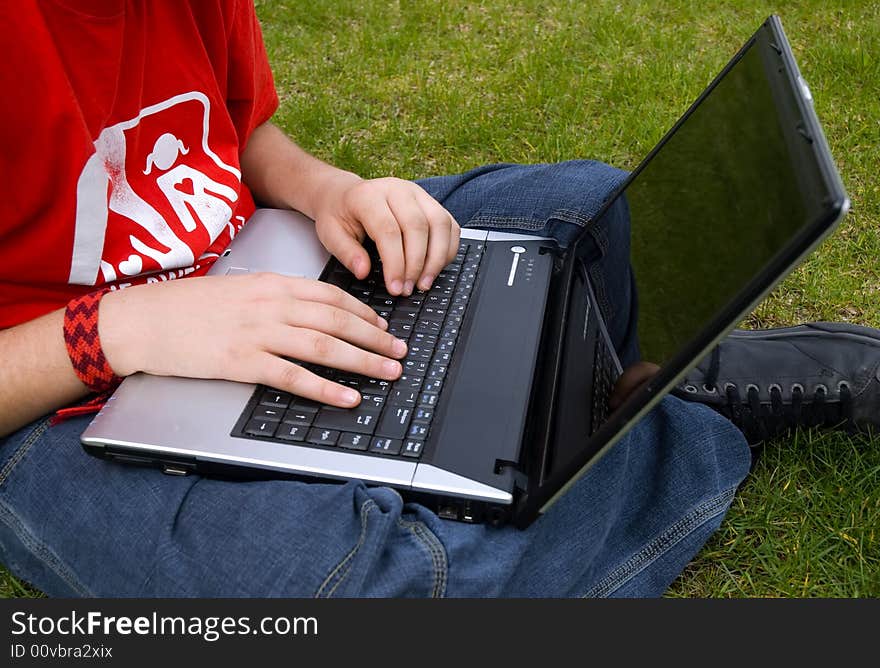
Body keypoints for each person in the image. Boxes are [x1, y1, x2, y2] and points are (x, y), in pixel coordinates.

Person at [0, 1, 875, 598]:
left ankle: (575, 411)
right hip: (56, 399)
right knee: (369, 587)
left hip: (263, 263)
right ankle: (661, 416)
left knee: (592, 215)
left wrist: (325, 190)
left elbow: (241, 131)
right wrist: (117, 328)